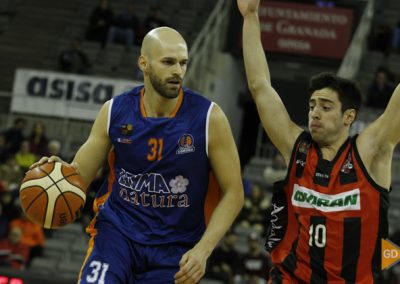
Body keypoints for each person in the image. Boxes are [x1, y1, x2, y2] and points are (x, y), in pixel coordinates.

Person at [31, 26, 244, 283]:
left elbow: (234, 192)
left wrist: (203, 250)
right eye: (168, 62)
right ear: (144, 63)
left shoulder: (209, 118)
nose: (178, 71)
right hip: (117, 235)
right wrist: (58, 173)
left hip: (175, 249)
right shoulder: (115, 111)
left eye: (183, 63)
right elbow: (79, 175)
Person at [238, 0, 400, 282]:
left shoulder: (369, 151)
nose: (314, 113)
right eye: (312, 105)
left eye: (325, 107)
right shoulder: (296, 147)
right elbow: (260, 87)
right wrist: (250, 16)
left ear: (349, 116)